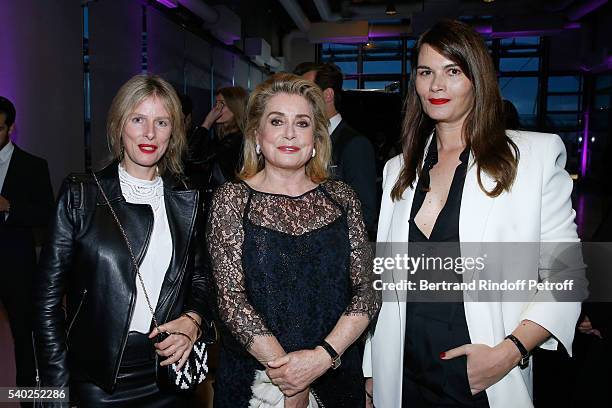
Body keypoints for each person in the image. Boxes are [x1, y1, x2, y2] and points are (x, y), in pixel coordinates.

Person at [363, 20, 584, 408]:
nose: (436, 86)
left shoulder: (532, 157)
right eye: (426, 72)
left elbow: (566, 275)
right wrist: (371, 368)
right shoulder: (398, 169)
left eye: (453, 72)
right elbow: (385, 279)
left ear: (477, 79)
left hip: (482, 375)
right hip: (401, 370)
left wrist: (510, 352)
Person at [34, 74, 209, 406]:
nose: (149, 133)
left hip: (169, 372)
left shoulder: (188, 197)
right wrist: (55, 387)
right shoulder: (80, 195)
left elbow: (201, 277)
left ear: (173, 131)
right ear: (118, 125)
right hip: (98, 379)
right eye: (138, 119)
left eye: (161, 122)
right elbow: (46, 302)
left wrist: (193, 320)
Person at [207, 73, 380, 407]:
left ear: (316, 138)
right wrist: (290, 378)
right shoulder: (232, 199)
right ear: (257, 134)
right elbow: (230, 300)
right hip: (256, 384)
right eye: (277, 121)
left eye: (301, 123)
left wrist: (320, 359)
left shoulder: (342, 198)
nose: (289, 133)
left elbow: (368, 290)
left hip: (336, 375)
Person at [0, 96, 54, 396]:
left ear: (10, 129)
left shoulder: (33, 166)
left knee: (25, 337)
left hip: (16, 268)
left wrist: (10, 207)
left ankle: (28, 399)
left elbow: (47, 214)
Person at [299, 63, 378, 237]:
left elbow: (365, 213)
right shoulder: (301, 141)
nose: (299, 98)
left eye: (305, 91)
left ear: (327, 95)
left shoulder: (354, 144)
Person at [186, 86, 248, 199]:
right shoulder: (222, 138)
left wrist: (207, 123)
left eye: (222, 104)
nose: (216, 109)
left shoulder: (235, 140)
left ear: (235, 108)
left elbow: (191, 157)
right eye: (216, 103)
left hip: (229, 201)